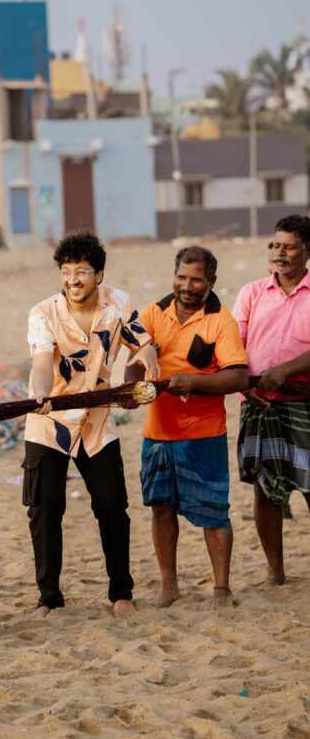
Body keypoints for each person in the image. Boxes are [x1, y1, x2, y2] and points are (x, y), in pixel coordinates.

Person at [22, 231, 159, 619]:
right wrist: (41, 392)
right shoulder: (42, 313)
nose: (72, 280)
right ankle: (49, 598)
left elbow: (140, 340)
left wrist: (148, 357)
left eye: (81, 271)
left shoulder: (118, 303)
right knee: (44, 509)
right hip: (49, 422)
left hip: (97, 421)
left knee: (113, 507)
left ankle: (122, 594)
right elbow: (41, 363)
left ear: (98, 274)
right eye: (66, 272)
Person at [128, 246, 248, 608]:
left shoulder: (220, 321)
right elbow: (132, 363)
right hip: (157, 434)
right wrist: (136, 379)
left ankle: (221, 589)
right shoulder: (152, 312)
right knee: (160, 508)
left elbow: (238, 376)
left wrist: (193, 381)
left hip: (203, 434)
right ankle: (169, 586)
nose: (187, 285)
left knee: (214, 512)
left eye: (196, 279)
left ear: (211, 281)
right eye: (182, 277)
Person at [232, 214, 310, 585]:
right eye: (276, 245)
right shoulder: (251, 293)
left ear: (306, 252)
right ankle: (275, 571)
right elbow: (234, 345)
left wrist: (287, 369)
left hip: (304, 403)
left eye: (289, 246)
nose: (279, 253)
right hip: (259, 404)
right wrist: (242, 383)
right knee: (266, 490)